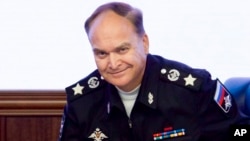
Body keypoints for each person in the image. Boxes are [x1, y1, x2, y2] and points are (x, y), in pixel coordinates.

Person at [58, 2, 248, 141]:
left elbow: (240, 131)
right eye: (101, 53)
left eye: (122, 49)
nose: (113, 63)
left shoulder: (194, 90)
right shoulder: (82, 104)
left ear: (144, 43)